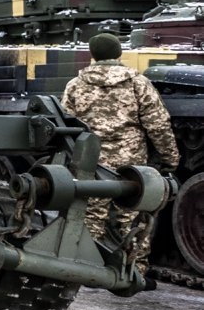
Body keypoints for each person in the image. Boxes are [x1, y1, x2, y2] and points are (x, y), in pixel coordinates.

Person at [62, 32, 181, 271]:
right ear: (119, 53)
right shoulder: (137, 83)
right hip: (132, 165)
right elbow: (157, 124)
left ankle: (87, 267)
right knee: (133, 214)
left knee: (91, 213)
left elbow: (68, 125)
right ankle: (134, 271)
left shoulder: (75, 85)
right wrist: (170, 158)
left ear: (93, 55)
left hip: (91, 162)